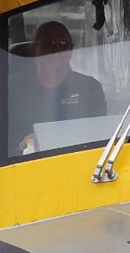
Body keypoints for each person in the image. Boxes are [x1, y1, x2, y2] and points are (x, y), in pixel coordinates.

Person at [16, 20, 107, 154]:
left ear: (71, 51)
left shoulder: (90, 87)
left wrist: (47, 137)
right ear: (35, 50)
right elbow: (1, 145)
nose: (56, 50)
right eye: (48, 45)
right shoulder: (13, 89)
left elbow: (99, 135)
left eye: (63, 44)